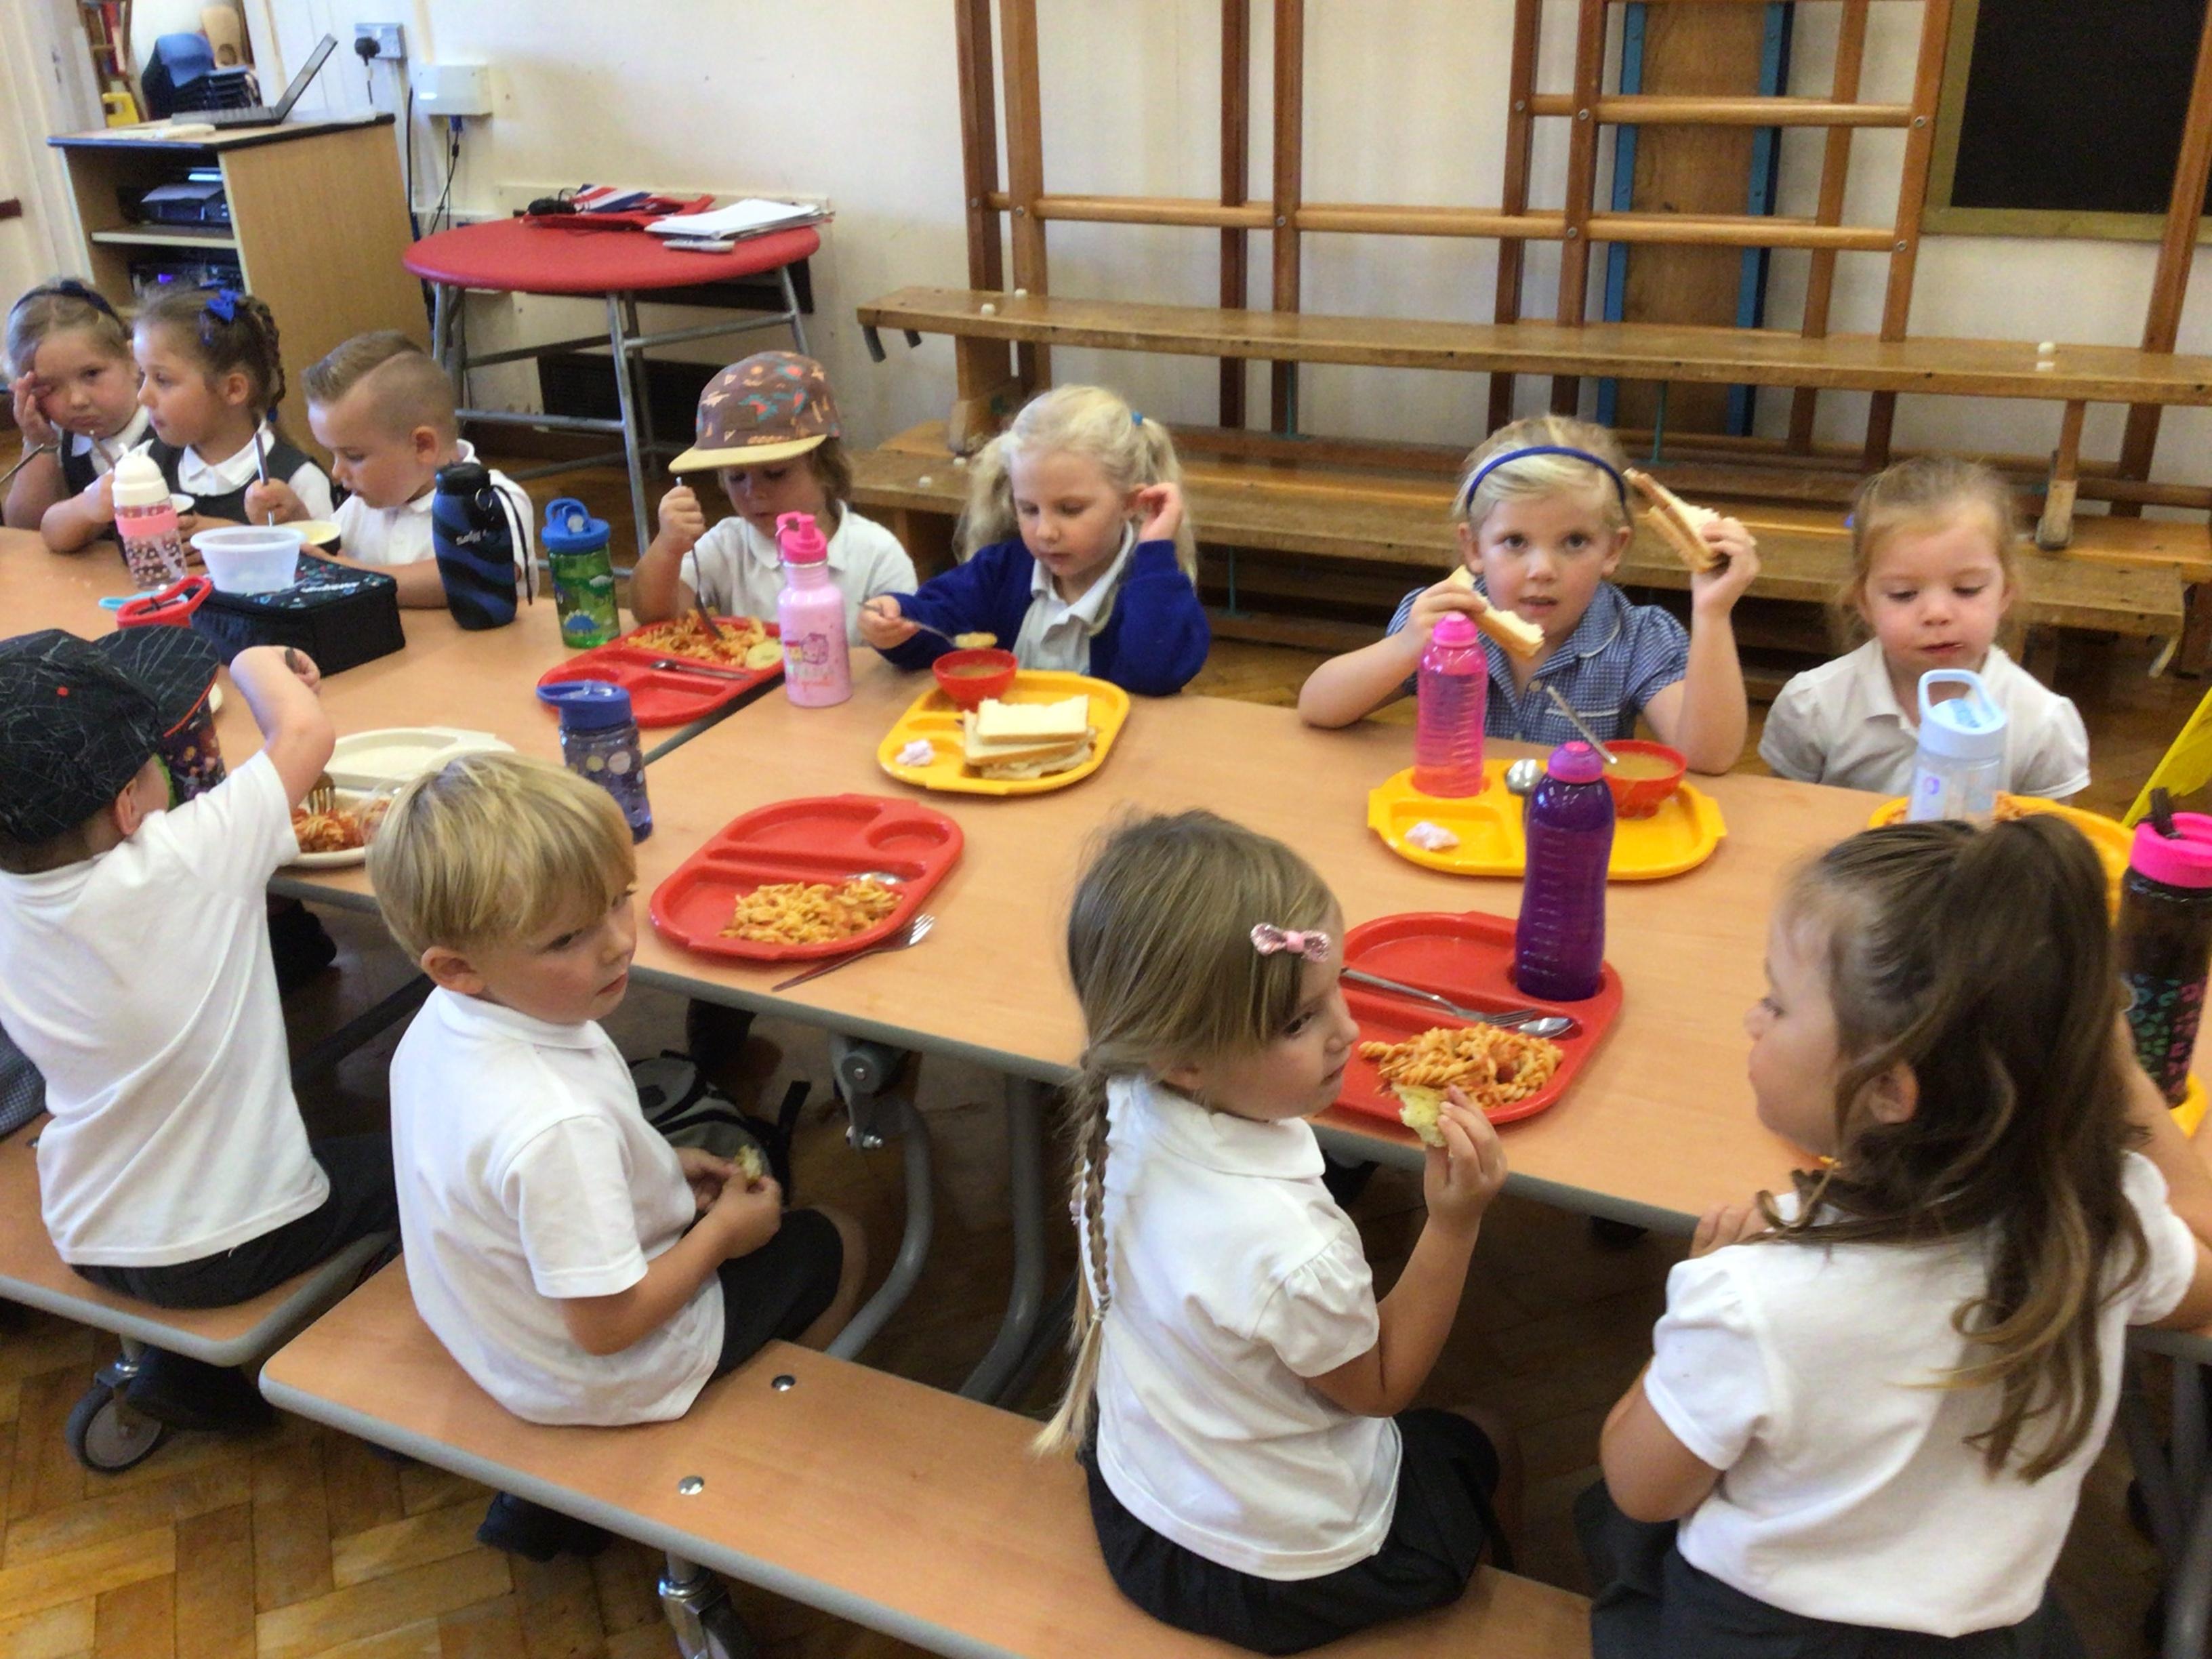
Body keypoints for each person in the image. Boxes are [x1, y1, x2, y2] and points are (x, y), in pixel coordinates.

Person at [1583, 817, 2212, 1656]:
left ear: (1888, 1092)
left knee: (1610, 1525)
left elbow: (1641, 1489)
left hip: (1763, 1640)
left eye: (1777, 1001)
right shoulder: (2097, 1223)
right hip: (1986, 1638)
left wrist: (1685, 1317)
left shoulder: (1751, 1296)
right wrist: (2111, 1064)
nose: (1752, 1020)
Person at [1035, 809, 1518, 1654]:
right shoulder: (1291, 1248)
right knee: (1488, 1437)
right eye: (1299, 1022)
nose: (1349, 1031)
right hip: (1277, 1569)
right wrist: (1453, 1224)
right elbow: (1380, 1388)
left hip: (1143, 1499)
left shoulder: (1126, 1099)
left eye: (1338, 987)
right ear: (1186, 1059)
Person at [369, 752, 867, 1560]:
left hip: (487, 1328)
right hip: (590, 1375)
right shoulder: (554, 1123)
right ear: (458, 968)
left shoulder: (449, 1021)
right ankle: (726, 1444)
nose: (618, 944)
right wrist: (722, 1239)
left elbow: (511, 1182)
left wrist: (657, 1165)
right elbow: (607, 1327)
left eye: (617, 899)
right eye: (567, 937)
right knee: (837, 1238)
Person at [0, 629, 395, 1429]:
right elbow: (305, 735)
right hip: (234, 1243)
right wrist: (256, 658)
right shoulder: (186, 857)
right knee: (423, 1159)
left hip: (89, 1226)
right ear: (129, 805)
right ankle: (384, 1376)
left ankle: (182, 1374)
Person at [1296, 415, 1759, 774]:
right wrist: (1405, 647)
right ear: (1474, 548)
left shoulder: (1638, 638)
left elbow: (1709, 757)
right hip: (1460, 823)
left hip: (1572, 836)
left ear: (1613, 550)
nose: (1542, 570)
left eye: (1574, 542)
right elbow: (1319, 708)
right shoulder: (1441, 624)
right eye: (1515, 542)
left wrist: (1712, 614)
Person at [1759, 455, 2089, 798]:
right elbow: (1784, 814)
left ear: (2005, 592)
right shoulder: (1814, 705)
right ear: (1864, 602)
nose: (1937, 614)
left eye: (1967, 589)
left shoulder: (2043, 723)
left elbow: (2049, 832)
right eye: (1903, 594)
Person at [858, 385, 1210, 696]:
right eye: (1028, 509)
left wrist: (1156, 550)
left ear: (1130, 503)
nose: (1045, 532)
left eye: (1070, 510)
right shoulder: (1001, 571)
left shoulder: (1152, 585)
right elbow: (937, 630)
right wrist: (896, 621)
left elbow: (1156, 675)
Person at [632, 351, 914, 640]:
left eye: (776, 473)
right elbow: (655, 615)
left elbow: (911, 642)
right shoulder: (727, 545)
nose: (753, 491)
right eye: (736, 477)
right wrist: (667, 547)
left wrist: (890, 632)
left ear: (825, 468)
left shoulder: (876, 553)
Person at [271, 329, 532, 607]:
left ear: (422, 445)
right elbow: (333, 561)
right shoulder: (360, 507)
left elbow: (476, 575)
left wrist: (358, 576)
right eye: (332, 454)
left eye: (354, 456)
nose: (336, 472)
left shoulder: (492, 498)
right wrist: (298, 525)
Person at [131, 285, 333, 530]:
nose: (142, 396)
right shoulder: (144, 463)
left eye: (162, 380)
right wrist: (93, 508)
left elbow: (324, 554)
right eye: (142, 376)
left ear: (234, 389)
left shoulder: (300, 481)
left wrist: (229, 536)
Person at [4, 278, 150, 550]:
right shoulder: (65, 439)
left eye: (91, 374)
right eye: (50, 387)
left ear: (133, 360)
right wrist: (38, 443)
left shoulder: (170, 424)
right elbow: (27, 531)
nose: (77, 400)